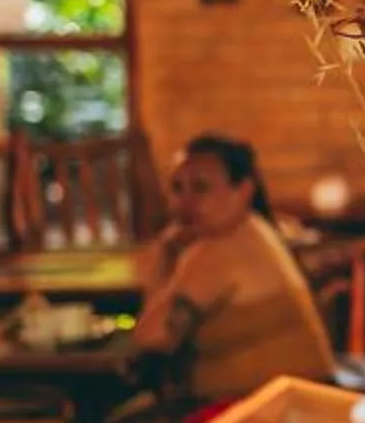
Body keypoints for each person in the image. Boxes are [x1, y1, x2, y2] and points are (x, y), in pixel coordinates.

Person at [131, 135, 337, 405]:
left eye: (201, 188)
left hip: (269, 416)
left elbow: (151, 337)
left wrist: (159, 258)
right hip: (297, 403)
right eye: (177, 188)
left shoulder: (222, 248)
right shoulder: (253, 228)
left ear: (243, 190)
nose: (185, 201)